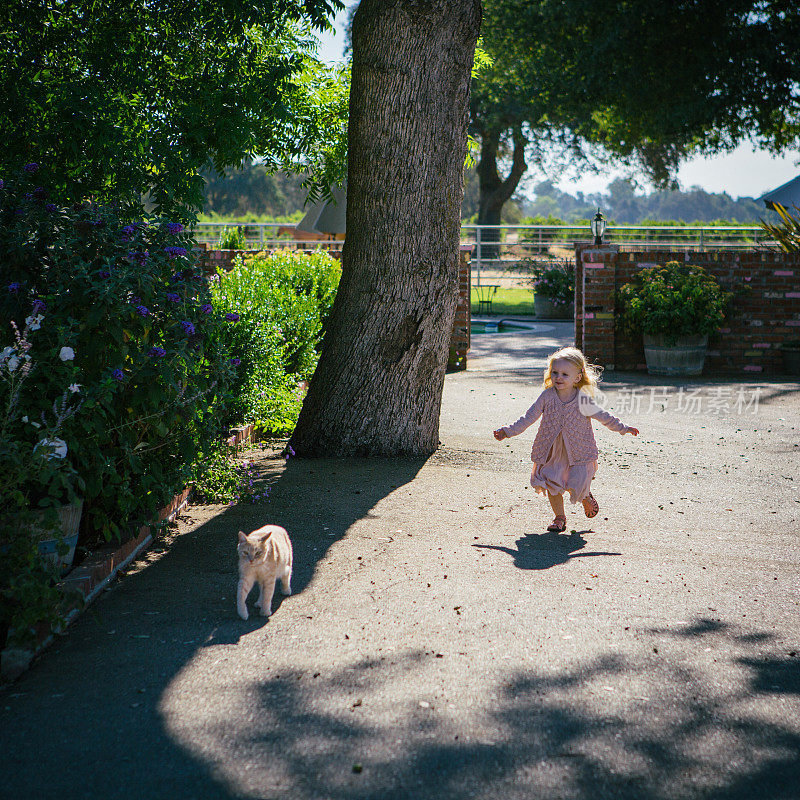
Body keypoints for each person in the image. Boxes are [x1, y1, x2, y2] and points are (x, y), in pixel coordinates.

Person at [493, 346, 639, 532]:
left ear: (577, 377)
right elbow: (528, 417)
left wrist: (623, 428)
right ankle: (559, 518)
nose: (558, 378)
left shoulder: (582, 399)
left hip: (578, 450)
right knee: (552, 484)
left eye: (564, 374)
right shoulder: (547, 396)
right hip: (552, 451)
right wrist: (508, 431)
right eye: (555, 373)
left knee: (576, 482)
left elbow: (603, 416)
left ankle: (585, 496)